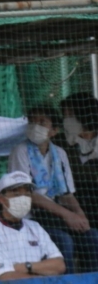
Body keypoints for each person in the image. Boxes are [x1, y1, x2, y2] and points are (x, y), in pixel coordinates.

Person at [8, 104, 98, 274]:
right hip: (31, 219)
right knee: (63, 241)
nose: (35, 126)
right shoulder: (20, 151)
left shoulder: (60, 153)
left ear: (54, 131)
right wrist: (67, 215)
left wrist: (80, 216)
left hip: (55, 217)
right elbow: (27, 194)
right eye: (32, 121)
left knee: (93, 237)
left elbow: (66, 194)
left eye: (42, 122)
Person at [0, 171, 65, 281]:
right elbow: (6, 277)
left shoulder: (35, 227)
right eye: (16, 194)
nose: (23, 199)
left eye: (27, 194)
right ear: (1, 199)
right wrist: (42, 273)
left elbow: (59, 265)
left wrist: (26, 266)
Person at [60, 93, 98, 230]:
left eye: (71, 114)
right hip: (75, 203)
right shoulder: (60, 142)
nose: (67, 119)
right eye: (65, 115)